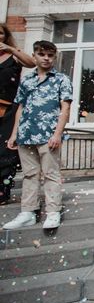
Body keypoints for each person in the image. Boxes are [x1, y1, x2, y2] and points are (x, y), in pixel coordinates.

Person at [2, 40, 72, 230]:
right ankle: (28, 212)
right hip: (26, 133)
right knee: (29, 174)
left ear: (54, 57)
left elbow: (65, 109)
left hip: (48, 135)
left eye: (50, 55)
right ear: (35, 56)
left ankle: (52, 212)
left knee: (51, 174)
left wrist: (58, 133)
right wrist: (14, 133)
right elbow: (21, 107)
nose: (46, 58)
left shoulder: (61, 80)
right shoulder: (27, 81)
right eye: (42, 54)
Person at [0, 24, 35, 204]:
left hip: (8, 110)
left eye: (0, 34)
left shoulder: (13, 56)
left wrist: (12, 49)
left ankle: (3, 189)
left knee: (6, 150)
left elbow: (31, 62)